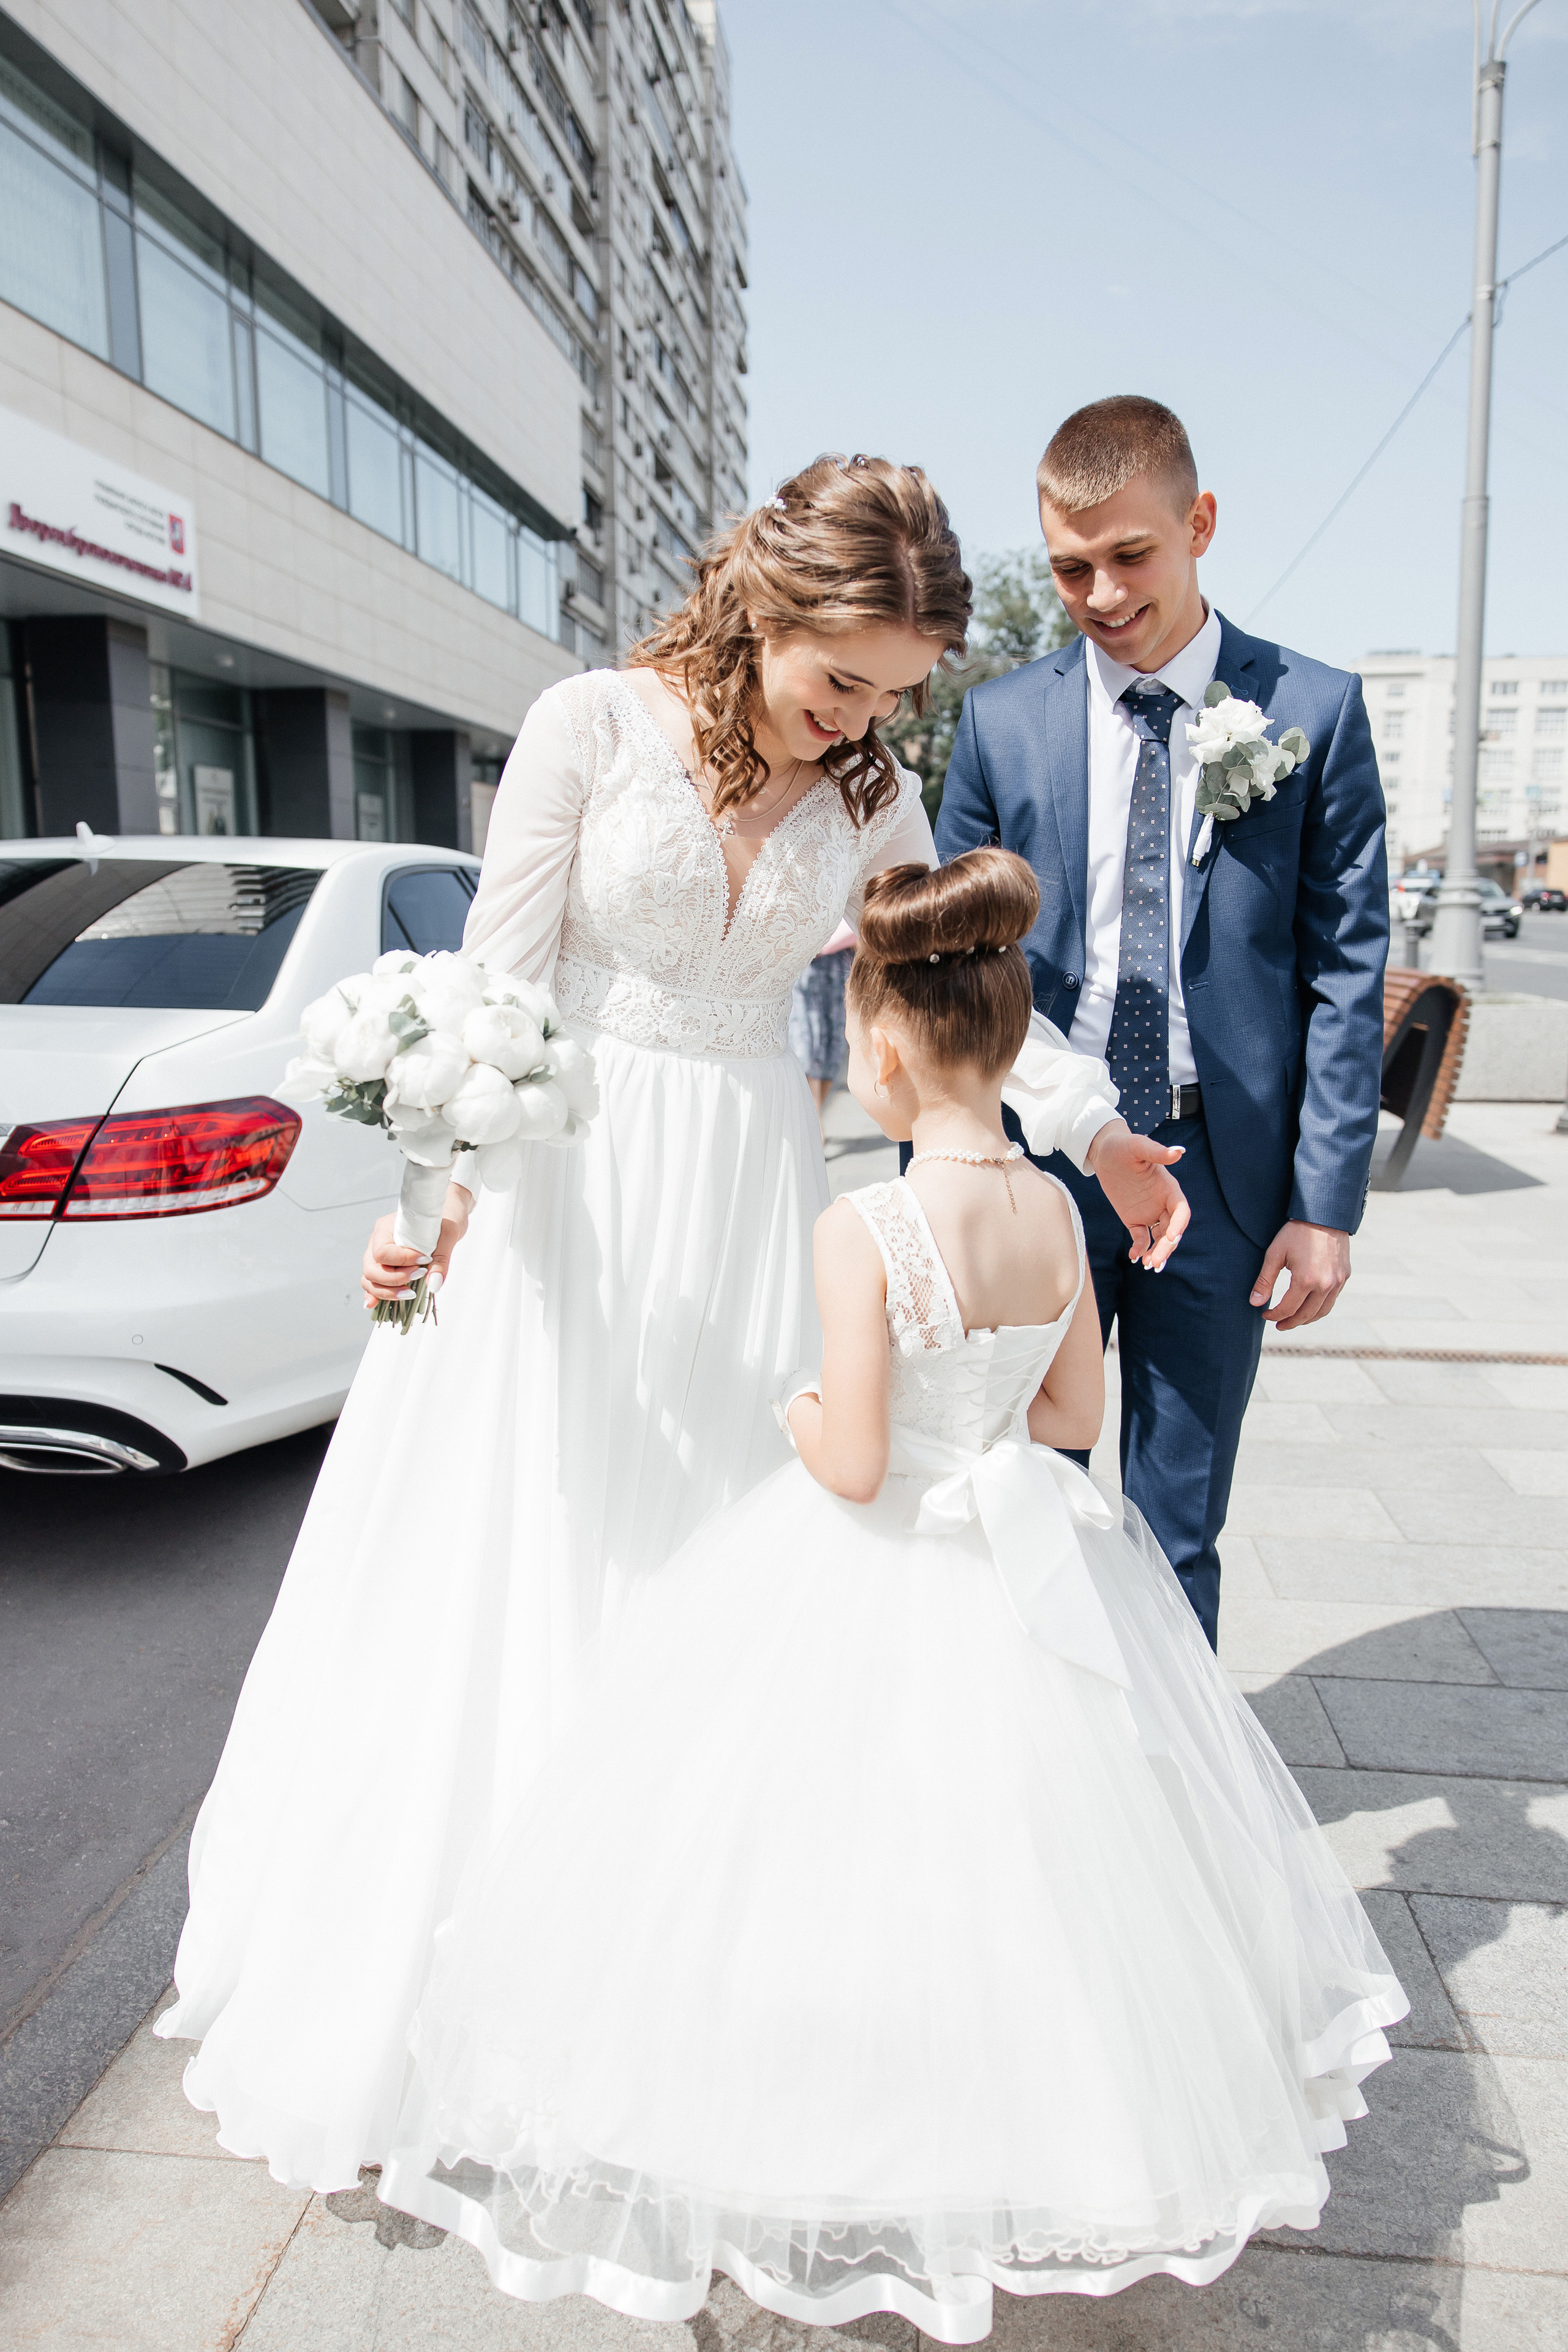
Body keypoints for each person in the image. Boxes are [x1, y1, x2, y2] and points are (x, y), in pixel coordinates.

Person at [156, 456, 1187, 2192]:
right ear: (767, 603)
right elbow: (494, 985)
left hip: (744, 1190)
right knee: (531, 1548)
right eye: (841, 678)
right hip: (567, 1189)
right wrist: (426, 1200)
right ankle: (463, 1988)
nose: (857, 721)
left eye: (888, 696)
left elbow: (953, 985)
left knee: (710, 1562)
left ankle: (667, 1986)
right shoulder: (587, 725)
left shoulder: (867, 793)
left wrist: (1088, 1129)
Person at [380, 851, 1406, 2343]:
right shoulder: (1057, 1214)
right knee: (1025, 1857)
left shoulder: (861, 1227)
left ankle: (833, 2112)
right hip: (1023, 1544)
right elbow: (1070, 1419)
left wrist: (796, 1407)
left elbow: (855, 1466)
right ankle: (1019, 2119)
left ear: (878, 1049)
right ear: (1005, 1041)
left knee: (819, 1845)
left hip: (881, 1552)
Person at [936, 396, 1389, 1648]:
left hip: (1221, 1180)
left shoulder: (1312, 710)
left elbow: (1346, 970)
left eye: (1128, 555)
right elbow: (951, 969)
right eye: (1067, 567)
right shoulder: (999, 722)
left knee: (1175, 1523)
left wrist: (1324, 1206)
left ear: (1199, 525)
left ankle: (1168, 1757)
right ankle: (1042, 1735)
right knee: (1019, 1493)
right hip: (1036, 1167)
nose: (1099, 593)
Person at [788, 918, 856, 1128]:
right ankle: (814, 1122)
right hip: (804, 967)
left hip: (839, 965)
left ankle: (814, 1118)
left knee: (832, 1049)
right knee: (807, 1043)